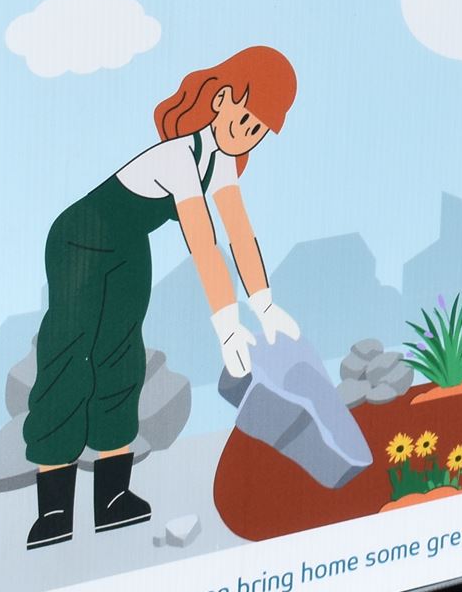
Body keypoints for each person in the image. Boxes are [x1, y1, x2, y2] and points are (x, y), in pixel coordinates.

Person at [20, 47, 301, 549]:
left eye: (259, 130)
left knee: (121, 355)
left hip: (128, 245)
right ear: (221, 98)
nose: (248, 133)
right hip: (80, 237)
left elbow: (238, 233)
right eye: (245, 117)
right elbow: (202, 241)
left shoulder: (223, 164)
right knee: (68, 353)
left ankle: (111, 498)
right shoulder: (178, 157)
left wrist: (263, 304)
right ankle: (53, 510)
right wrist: (225, 324)